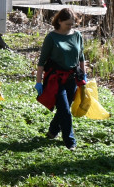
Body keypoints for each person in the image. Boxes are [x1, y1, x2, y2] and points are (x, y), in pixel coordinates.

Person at [35, 8, 86, 150]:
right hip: (55, 79)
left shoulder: (77, 36)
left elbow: (81, 58)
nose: (70, 26)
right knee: (64, 110)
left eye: (72, 24)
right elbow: (42, 62)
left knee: (65, 108)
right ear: (59, 21)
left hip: (72, 78)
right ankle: (70, 141)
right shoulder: (51, 38)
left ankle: (52, 130)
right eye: (67, 24)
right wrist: (38, 82)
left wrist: (83, 76)